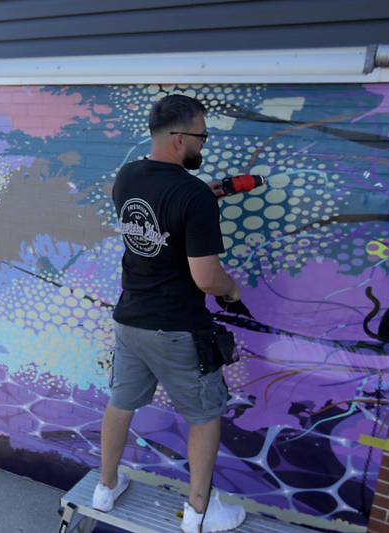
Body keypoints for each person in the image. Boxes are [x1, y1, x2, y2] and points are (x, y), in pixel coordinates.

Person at [92, 94, 246, 532]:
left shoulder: (127, 177)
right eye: (202, 136)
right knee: (204, 416)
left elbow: (156, 220)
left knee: (121, 402)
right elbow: (205, 278)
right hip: (177, 330)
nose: (205, 144)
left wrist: (200, 200)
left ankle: (105, 489)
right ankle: (199, 515)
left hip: (130, 321)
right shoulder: (192, 196)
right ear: (180, 139)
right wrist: (233, 289)